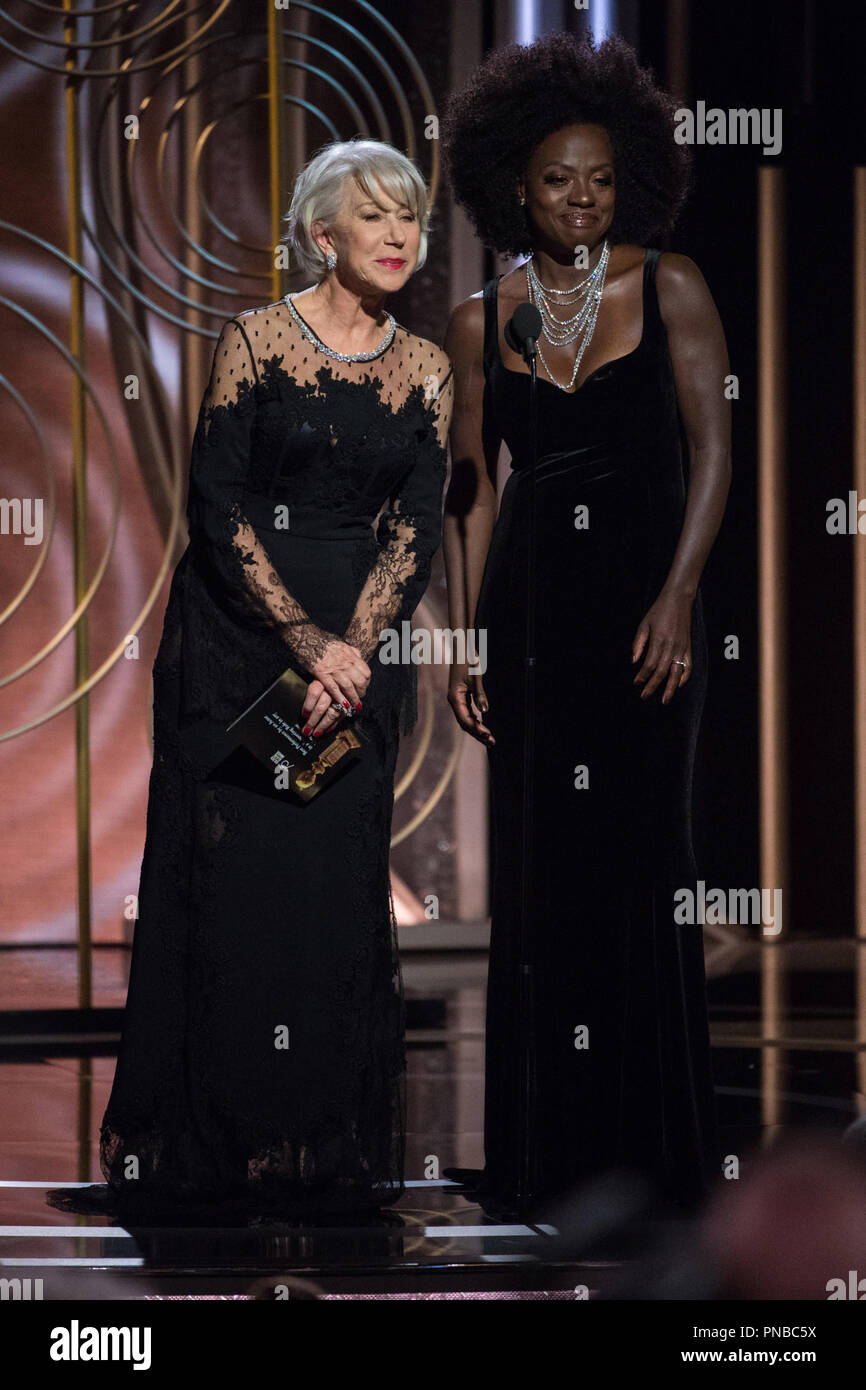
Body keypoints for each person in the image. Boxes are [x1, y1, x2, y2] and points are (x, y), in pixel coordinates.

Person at [49, 138, 453, 1223]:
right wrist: (307, 643)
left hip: (357, 659)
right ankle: (216, 1140)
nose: (398, 236)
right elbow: (217, 508)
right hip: (241, 646)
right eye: (374, 217)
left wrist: (356, 648)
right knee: (241, 892)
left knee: (329, 893)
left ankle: (314, 1141)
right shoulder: (257, 340)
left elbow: (417, 523)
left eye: (409, 216)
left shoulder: (426, 367)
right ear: (323, 233)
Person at [440, 34, 730, 1218]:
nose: (579, 199)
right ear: (517, 181)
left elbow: (713, 453)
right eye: (559, 179)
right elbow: (472, 494)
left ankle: (646, 1160)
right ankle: (541, 1165)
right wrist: (465, 636)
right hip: (532, 619)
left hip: (639, 614)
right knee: (542, 881)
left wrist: (674, 595)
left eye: (600, 180)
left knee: (637, 867)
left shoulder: (669, 285)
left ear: (631, 184)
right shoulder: (477, 318)